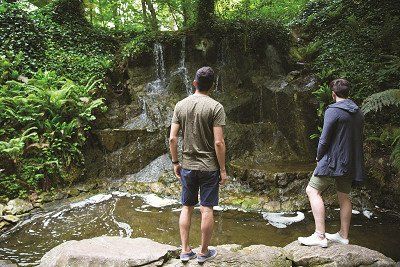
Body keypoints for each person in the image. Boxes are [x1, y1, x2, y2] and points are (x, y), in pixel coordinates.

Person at [169, 66, 228, 263]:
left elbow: (172, 139)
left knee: (186, 206)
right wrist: (222, 169)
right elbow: (219, 142)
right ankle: (203, 252)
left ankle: (185, 250)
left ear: (194, 83)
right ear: (212, 85)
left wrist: (175, 162)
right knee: (207, 208)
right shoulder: (216, 107)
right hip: (209, 167)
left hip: (187, 165)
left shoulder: (180, 105)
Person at [298, 78, 365, 247]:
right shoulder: (358, 112)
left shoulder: (333, 110)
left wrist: (319, 156)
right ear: (348, 93)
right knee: (344, 196)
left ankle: (320, 236)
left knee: (312, 190)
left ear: (333, 94)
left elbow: (324, 138)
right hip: (350, 161)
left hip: (333, 160)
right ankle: (343, 235)